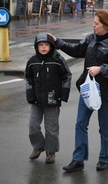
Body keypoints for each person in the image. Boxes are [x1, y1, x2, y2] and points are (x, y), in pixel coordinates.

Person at [48, 9, 108, 172]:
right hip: (88, 89)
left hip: (106, 92)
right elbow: (77, 50)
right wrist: (58, 42)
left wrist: (101, 69)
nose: (93, 25)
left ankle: (104, 158)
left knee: (104, 127)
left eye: (96, 23)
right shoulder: (92, 38)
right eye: (94, 22)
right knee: (80, 124)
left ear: (106, 25)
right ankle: (79, 159)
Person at [25, 32, 72, 164]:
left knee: (51, 128)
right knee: (33, 126)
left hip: (52, 99)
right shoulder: (32, 61)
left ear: (51, 46)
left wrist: (63, 94)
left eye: (46, 45)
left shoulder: (58, 60)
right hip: (36, 100)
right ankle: (39, 146)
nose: (44, 47)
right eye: (41, 45)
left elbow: (67, 75)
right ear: (36, 46)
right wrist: (30, 95)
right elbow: (28, 78)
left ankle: (51, 152)